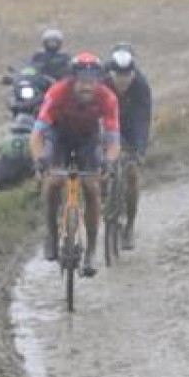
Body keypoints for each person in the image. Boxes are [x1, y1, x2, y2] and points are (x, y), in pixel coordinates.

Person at [30, 52, 120, 276]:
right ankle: (51, 235)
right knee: (52, 184)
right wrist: (39, 160)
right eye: (81, 81)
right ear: (72, 79)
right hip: (58, 136)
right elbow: (37, 134)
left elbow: (113, 140)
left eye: (91, 81)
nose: (85, 87)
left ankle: (90, 251)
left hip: (88, 139)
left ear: (98, 81)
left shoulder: (108, 98)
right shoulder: (58, 92)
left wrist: (108, 163)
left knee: (92, 188)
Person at [104, 46, 151, 250]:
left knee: (131, 175)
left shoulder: (141, 85)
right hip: (107, 127)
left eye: (127, 78)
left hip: (131, 128)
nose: (123, 83)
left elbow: (143, 119)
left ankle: (129, 226)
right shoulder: (102, 83)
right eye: (119, 78)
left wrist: (139, 150)